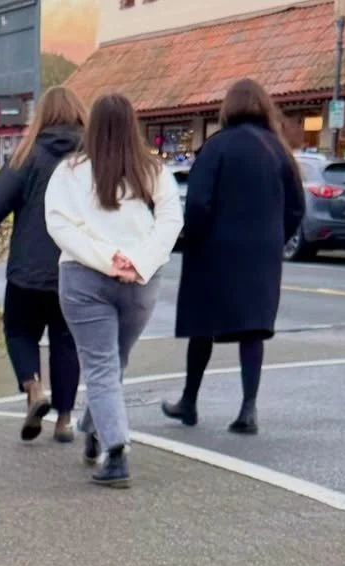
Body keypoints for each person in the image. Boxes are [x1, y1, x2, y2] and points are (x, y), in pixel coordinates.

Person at [44, 93, 182, 489]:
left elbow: (60, 225)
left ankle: (116, 451)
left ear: (92, 127)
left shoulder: (69, 172)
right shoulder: (152, 170)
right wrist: (139, 261)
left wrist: (106, 259)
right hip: (141, 282)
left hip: (84, 277)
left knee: (103, 364)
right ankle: (99, 430)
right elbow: (171, 220)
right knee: (113, 362)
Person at [163, 77, 304, 435]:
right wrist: (274, 240)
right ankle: (248, 408)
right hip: (261, 255)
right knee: (252, 330)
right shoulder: (278, 151)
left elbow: (197, 202)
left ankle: (189, 401)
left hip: (214, 251)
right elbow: (296, 208)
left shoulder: (216, 147)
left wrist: (195, 236)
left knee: (202, 327)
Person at [0, 86, 86, 445]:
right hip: (76, 267)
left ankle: (33, 388)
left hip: (28, 272)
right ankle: (64, 419)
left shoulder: (27, 156)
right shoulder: (91, 158)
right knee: (66, 341)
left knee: (18, 331)